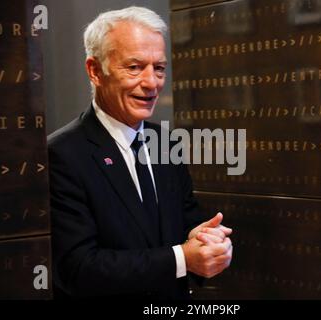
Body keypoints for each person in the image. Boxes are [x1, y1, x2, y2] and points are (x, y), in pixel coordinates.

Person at [48, 6, 233, 299]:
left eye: (158, 68)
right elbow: (77, 268)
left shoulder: (167, 142)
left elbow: (187, 226)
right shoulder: (61, 155)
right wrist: (183, 258)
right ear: (95, 71)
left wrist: (210, 243)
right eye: (134, 67)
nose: (151, 83)